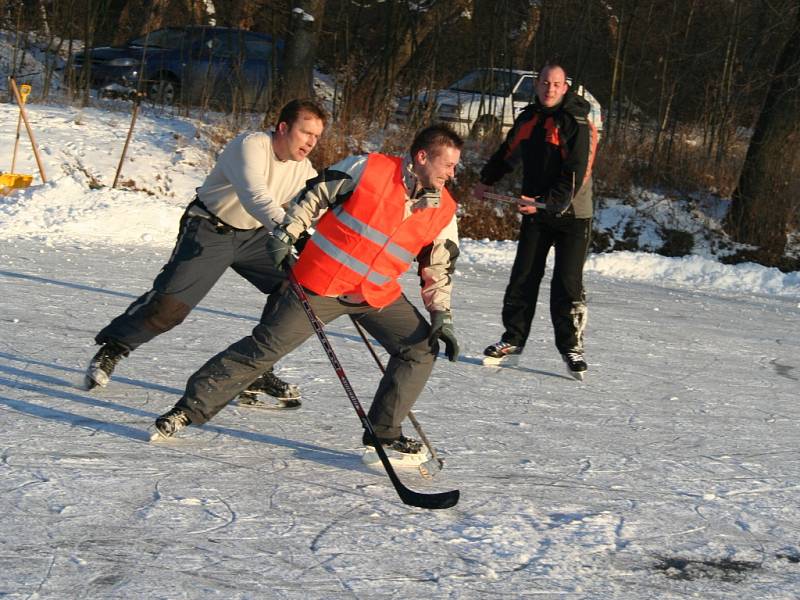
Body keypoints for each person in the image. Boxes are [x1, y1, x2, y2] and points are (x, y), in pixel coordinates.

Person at [152, 124, 463, 458]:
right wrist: (287, 233)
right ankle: (189, 409)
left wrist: (440, 314)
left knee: (419, 348)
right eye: (447, 164)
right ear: (422, 156)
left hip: (375, 293)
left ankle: (384, 433)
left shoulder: (443, 209)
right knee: (266, 347)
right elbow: (313, 195)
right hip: (321, 282)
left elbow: (439, 267)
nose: (452, 173)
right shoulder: (368, 167)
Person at [85, 99, 327, 406]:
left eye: (316, 136)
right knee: (170, 306)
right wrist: (293, 232)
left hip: (254, 236)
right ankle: (114, 347)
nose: (311, 142)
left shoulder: (304, 171)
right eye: (305, 132)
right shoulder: (251, 146)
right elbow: (255, 196)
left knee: (294, 287)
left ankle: (255, 367)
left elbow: (314, 209)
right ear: (283, 127)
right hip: (210, 228)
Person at [473, 62, 595, 380]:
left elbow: (577, 173)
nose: (549, 89)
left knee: (567, 285)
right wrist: (486, 180)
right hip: (536, 213)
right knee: (523, 277)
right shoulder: (529, 118)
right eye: (544, 83)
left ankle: (572, 347)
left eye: (556, 84)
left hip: (573, 216)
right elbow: (507, 152)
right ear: (536, 85)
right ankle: (512, 340)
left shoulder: (577, 123)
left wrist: (544, 204)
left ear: (565, 87)